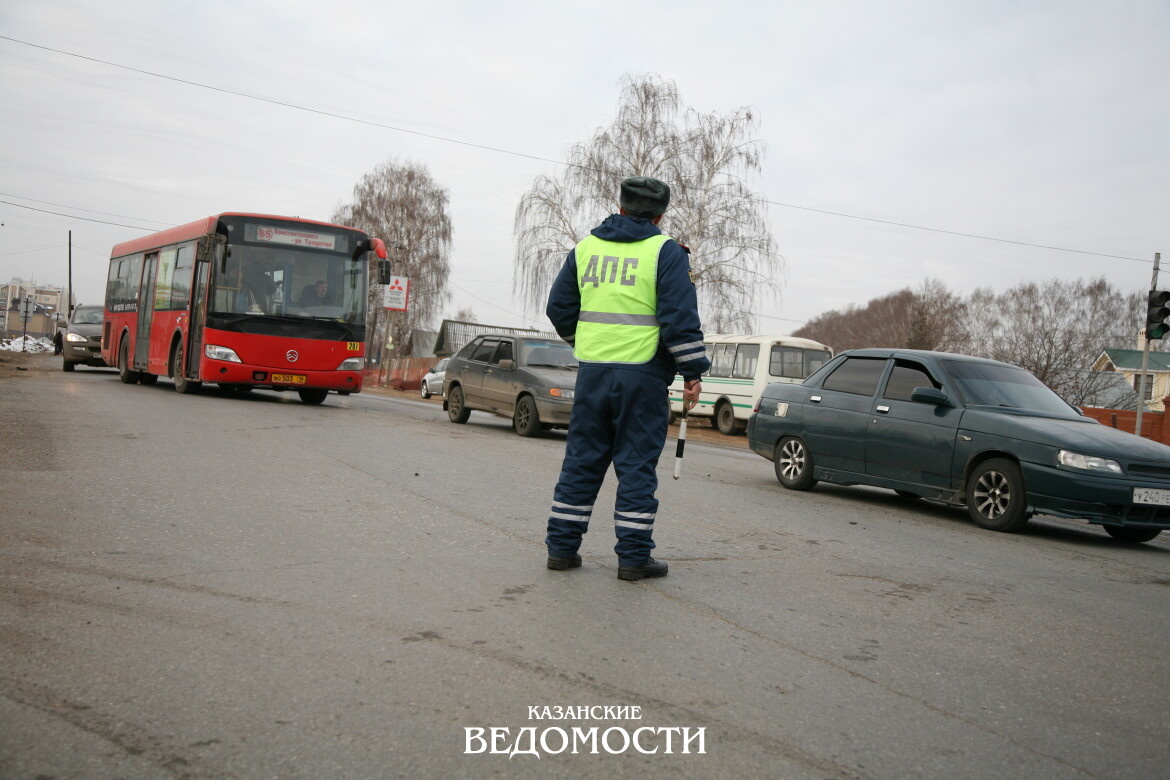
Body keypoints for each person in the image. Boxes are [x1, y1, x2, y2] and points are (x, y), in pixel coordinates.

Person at [543, 176, 709, 581]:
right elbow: (678, 319)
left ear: (619, 207)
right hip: (643, 376)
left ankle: (562, 550)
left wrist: (585, 341)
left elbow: (558, 307)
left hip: (593, 374)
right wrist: (691, 372)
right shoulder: (665, 252)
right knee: (635, 466)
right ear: (660, 214)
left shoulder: (585, 248)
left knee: (582, 460)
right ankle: (634, 558)